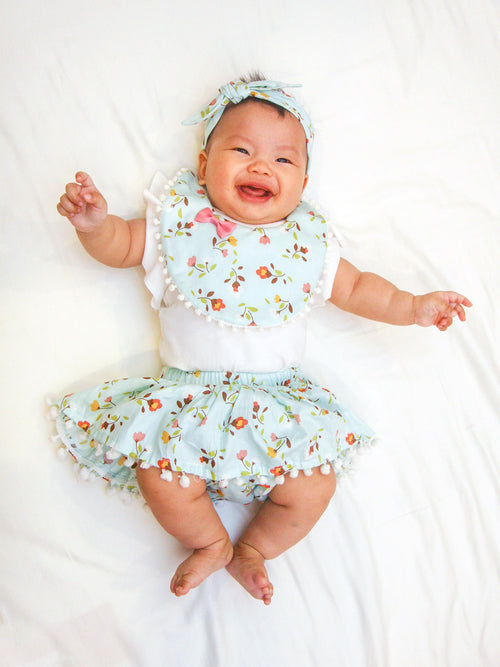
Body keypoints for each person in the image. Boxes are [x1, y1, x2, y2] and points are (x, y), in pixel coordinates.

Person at [53, 76, 471, 605]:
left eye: (283, 160)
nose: (260, 167)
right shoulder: (175, 225)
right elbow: (120, 245)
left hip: (278, 409)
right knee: (159, 474)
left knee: (314, 485)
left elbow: (361, 290)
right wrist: (94, 225)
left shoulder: (309, 245)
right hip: (187, 404)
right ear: (204, 165)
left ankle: (255, 549)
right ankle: (209, 542)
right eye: (241, 150)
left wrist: (413, 307)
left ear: (302, 181)